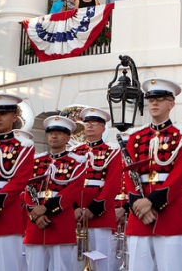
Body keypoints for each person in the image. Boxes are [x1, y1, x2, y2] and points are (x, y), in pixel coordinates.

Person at [124, 78, 182, 271]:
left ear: (171, 104)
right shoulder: (134, 137)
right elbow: (129, 175)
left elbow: (181, 175)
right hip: (140, 215)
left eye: (161, 99)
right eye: (151, 99)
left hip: (170, 212)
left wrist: (152, 202)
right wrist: (139, 205)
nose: (154, 103)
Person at [24, 116, 87, 271]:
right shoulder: (36, 161)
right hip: (35, 224)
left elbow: (72, 191)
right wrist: (35, 214)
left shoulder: (78, 162)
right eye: (51, 133)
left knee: (61, 267)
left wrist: (45, 209)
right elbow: (27, 189)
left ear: (67, 137)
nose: (54, 136)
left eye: (59, 133)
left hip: (60, 222)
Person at [69, 107, 121, 271]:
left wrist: (94, 208)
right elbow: (67, 183)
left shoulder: (112, 151)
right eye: (87, 123)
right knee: (75, 260)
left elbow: (113, 184)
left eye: (94, 123)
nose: (89, 127)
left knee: (100, 261)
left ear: (103, 128)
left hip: (100, 213)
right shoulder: (74, 152)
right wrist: (74, 208)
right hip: (76, 214)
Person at [0, 94, 35, 271]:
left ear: (14, 117)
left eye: (3, 114)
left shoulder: (24, 145)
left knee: (7, 265)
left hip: (6, 211)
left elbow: (21, 179)